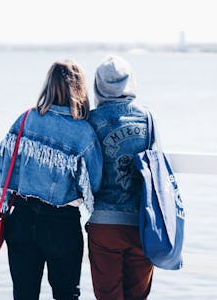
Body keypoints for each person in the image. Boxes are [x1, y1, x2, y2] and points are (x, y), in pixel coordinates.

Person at [0, 59, 103, 300]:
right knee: (66, 295)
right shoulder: (83, 133)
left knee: (23, 294)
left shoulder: (25, 119)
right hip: (61, 223)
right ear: (79, 89)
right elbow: (94, 185)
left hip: (20, 218)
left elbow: (4, 168)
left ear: (48, 86)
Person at [86, 55, 154, 300]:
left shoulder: (91, 120)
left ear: (97, 85)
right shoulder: (147, 119)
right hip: (142, 225)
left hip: (104, 224)